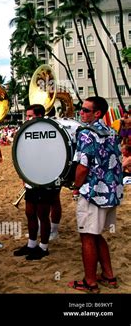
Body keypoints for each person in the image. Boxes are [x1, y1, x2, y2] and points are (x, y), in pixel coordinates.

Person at [68, 97, 123, 293]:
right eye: (81, 110)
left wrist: (75, 187)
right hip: (111, 192)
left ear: (97, 113)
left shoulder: (86, 134)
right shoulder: (112, 132)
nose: (81, 113)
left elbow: (83, 167)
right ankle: (109, 276)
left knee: (87, 237)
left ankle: (90, 282)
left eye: (85, 110)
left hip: (93, 193)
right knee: (96, 234)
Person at [13, 104, 60, 260]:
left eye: (30, 116)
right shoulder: (26, 132)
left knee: (42, 214)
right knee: (30, 213)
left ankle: (44, 247)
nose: (27, 119)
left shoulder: (50, 131)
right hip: (31, 180)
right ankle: (31, 244)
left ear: (39, 115)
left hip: (46, 180)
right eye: (26, 116)